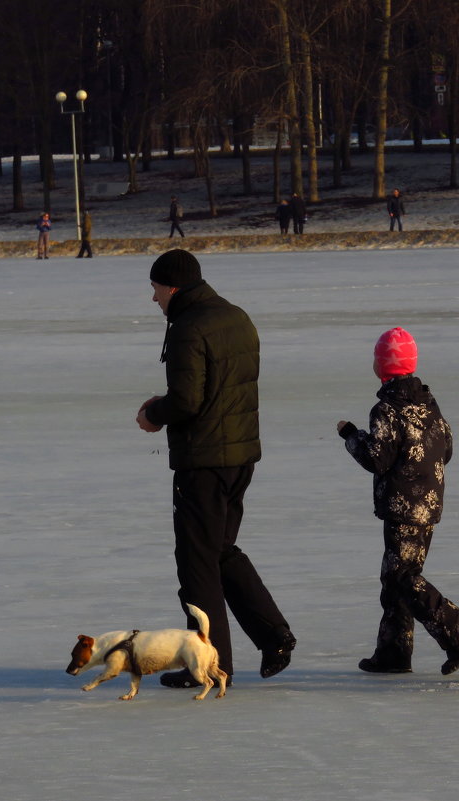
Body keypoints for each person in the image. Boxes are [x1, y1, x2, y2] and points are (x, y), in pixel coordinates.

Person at [136, 249, 296, 687]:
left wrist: (155, 412)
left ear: (172, 286)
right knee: (220, 549)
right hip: (240, 456)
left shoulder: (189, 326)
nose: (153, 299)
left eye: (154, 289)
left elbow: (188, 399)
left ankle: (210, 665)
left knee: (197, 563)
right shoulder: (236, 317)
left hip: (204, 461)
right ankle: (274, 634)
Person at [337, 327, 459, 675]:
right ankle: (393, 652)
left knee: (403, 577)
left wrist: (350, 435)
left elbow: (376, 458)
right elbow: (446, 448)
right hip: (429, 503)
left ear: (382, 367)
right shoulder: (428, 401)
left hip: (402, 506)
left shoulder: (387, 408)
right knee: (395, 577)